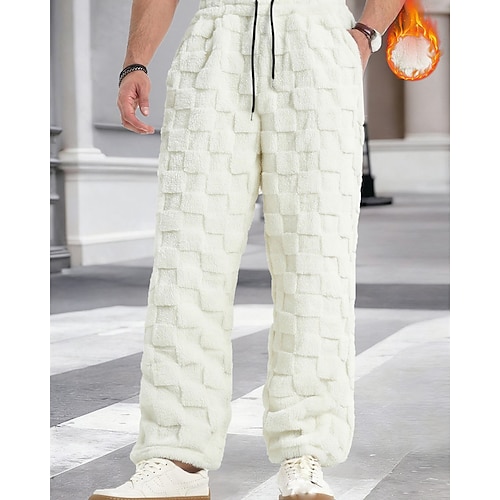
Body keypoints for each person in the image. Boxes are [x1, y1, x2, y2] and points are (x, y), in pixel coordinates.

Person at [89, 0, 405, 498]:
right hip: (216, 41)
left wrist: (366, 35)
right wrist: (135, 61)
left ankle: (305, 452)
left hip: (317, 41)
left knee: (317, 261)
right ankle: (176, 456)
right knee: (186, 260)